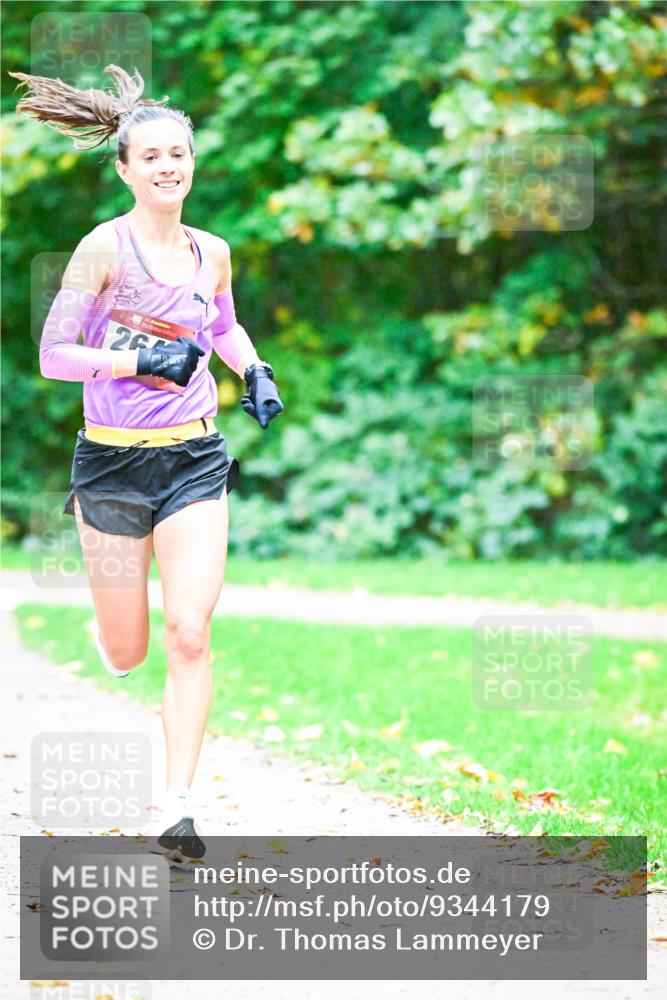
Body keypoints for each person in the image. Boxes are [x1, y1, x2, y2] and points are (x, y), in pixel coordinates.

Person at [10, 63, 284, 858]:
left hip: (195, 457)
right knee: (129, 651)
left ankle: (178, 806)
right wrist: (135, 364)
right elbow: (55, 355)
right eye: (152, 156)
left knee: (190, 632)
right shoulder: (105, 248)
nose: (169, 166)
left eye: (179, 154)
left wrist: (252, 369)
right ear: (127, 169)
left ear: (191, 162)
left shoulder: (213, 253)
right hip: (111, 466)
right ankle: (109, 624)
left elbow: (222, 326)